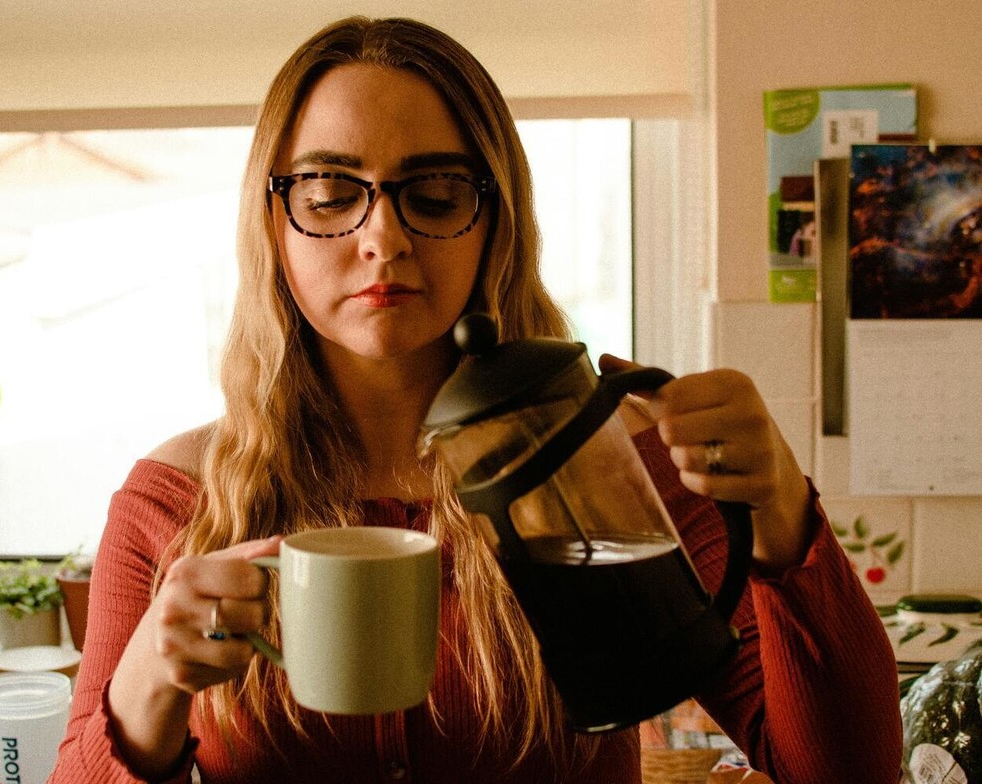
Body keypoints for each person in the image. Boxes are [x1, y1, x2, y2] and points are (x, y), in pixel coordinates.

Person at [50, 16, 901, 784]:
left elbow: (846, 770)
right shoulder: (174, 507)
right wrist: (147, 683)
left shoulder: (599, 469)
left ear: (495, 217)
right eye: (330, 191)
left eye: (436, 192)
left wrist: (784, 510)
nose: (381, 236)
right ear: (273, 222)